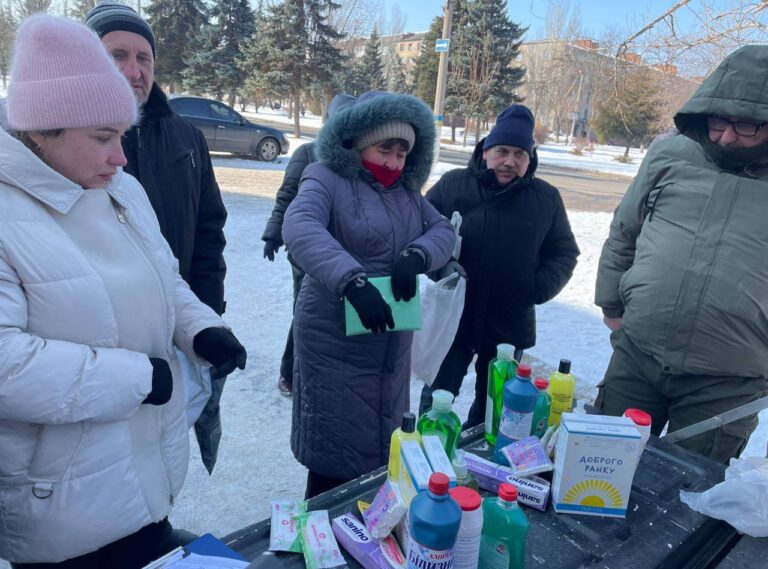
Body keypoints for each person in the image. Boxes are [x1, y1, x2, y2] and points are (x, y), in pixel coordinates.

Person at [0, 15, 246, 567]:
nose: (122, 156)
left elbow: (165, 278)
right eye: (103, 138)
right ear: (41, 130)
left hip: (144, 474)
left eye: (123, 135)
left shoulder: (122, 190)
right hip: (63, 504)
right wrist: (138, 377)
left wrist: (200, 328)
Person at [594, 45, 768, 464]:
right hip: (638, 354)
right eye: (718, 120)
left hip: (728, 382)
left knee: (687, 500)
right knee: (601, 471)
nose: (726, 136)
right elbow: (625, 231)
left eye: (746, 126)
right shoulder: (670, 155)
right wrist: (611, 302)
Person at [283, 91, 455, 498]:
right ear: (360, 142)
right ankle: (322, 532)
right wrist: (352, 280)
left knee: (381, 446)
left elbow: (444, 231)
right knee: (335, 452)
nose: (394, 163)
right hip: (334, 339)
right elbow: (301, 225)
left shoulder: (408, 195)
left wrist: (418, 254)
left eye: (402, 153)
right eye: (385, 150)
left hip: (390, 343)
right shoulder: (326, 178)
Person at [84, 2, 230, 474]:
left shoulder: (186, 137)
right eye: (117, 56)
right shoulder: (67, 144)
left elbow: (209, 229)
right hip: (98, 339)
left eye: (143, 58)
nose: (134, 71)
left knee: (162, 453)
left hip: (175, 322)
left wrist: (207, 316)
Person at [419, 104, 579, 427]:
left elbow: (564, 252)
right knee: (437, 398)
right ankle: (425, 460)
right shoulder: (453, 186)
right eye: (502, 151)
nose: (510, 161)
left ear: (529, 159)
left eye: (520, 154)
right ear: (485, 151)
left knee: (495, 411)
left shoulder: (546, 199)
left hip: (509, 325)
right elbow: (420, 230)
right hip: (455, 319)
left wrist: (535, 288)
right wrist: (441, 267)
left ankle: (479, 469)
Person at [262, 94, 357, 397]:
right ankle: (290, 372)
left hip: (344, 252)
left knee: (337, 316)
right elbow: (288, 195)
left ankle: (327, 371)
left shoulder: (359, 158)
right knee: (305, 313)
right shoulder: (307, 153)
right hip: (306, 251)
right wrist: (274, 234)